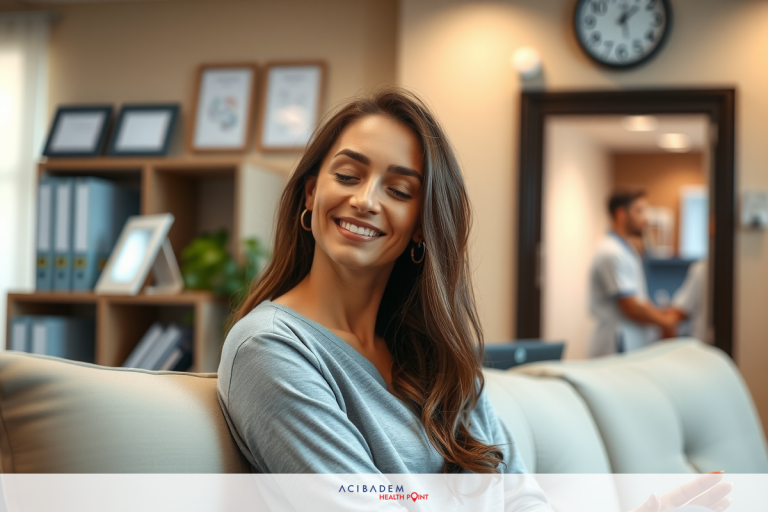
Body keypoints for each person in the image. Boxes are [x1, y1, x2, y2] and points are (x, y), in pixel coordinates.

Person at [217, 88, 730, 512]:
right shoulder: (271, 350)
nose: (366, 200)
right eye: (347, 176)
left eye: (399, 190)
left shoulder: (434, 354)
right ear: (310, 193)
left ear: (422, 225)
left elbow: (521, 497)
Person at [588, 189, 678, 357]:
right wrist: (666, 321)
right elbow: (632, 307)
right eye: (639, 211)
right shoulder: (610, 252)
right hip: (617, 344)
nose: (646, 219)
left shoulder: (628, 249)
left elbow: (639, 299)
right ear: (621, 214)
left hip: (633, 341)